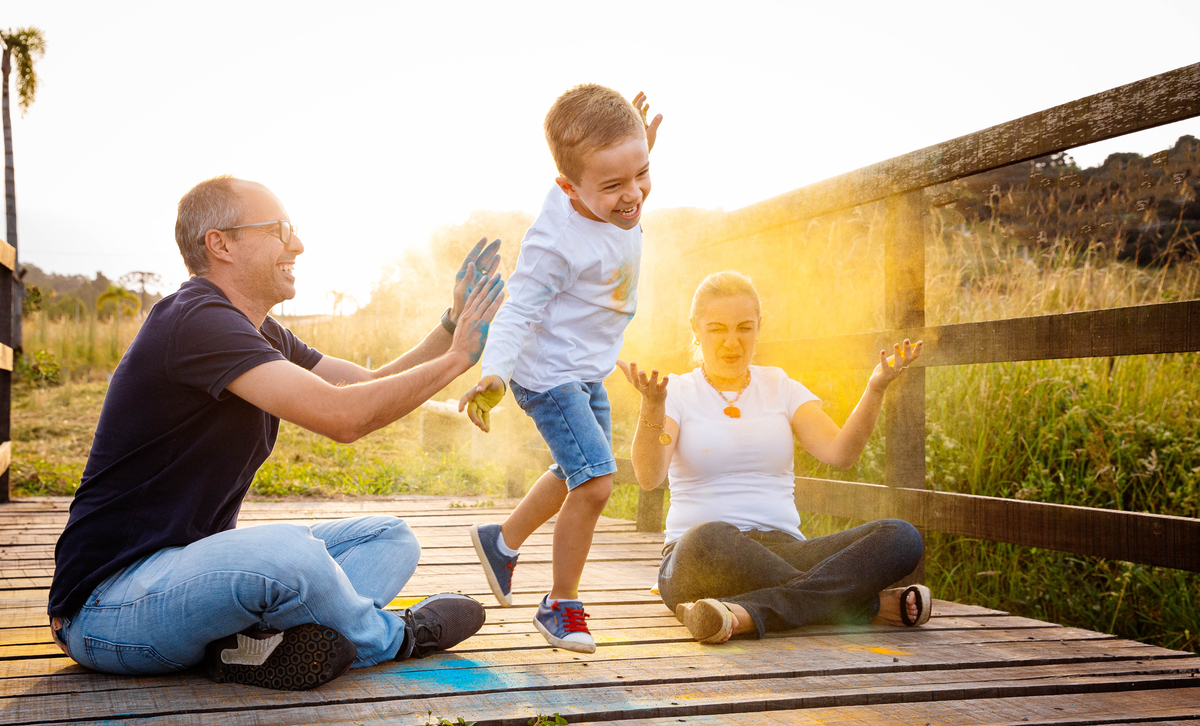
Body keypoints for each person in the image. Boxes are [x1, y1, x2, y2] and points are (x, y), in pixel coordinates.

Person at [47, 176, 507, 690]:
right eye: (279, 230)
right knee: (288, 553)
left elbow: (367, 385)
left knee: (388, 537)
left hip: (189, 578)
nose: (298, 244)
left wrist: (452, 324)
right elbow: (344, 417)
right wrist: (459, 358)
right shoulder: (194, 320)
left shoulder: (259, 331)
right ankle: (397, 637)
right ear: (220, 244)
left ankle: (247, 648)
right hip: (105, 606)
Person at [457, 85, 663, 654]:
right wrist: (495, 372)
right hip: (548, 373)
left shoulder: (616, 186)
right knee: (595, 482)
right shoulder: (554, 243)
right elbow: (519, 309)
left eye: (642, 174)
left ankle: (501, 541)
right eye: (614, 186)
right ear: (569, 187)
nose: (633, 196)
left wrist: (639, 151)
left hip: (587, 367)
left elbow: (624, 174)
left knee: (576, 467)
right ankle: (559, 605)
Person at [619, 270, 930, 644]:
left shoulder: (780, 386)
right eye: (717, 329)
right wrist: (653, 407)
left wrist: (875, 389)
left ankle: (746, 614)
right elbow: (649, 476)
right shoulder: (678, 392)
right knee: (707, 537)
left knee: (901, 536)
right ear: (696, 329)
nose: (732, 342)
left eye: (744, 328)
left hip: (783, 553)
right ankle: (864, 606)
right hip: (700, 560)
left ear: (758, 327)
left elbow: (841, 453)